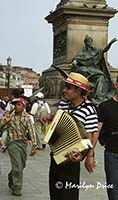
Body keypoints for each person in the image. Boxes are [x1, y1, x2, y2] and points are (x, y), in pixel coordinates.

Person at [44, 72, 98, 200]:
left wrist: (88, 155)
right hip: (56, 156)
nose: (64, 90)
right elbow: (58, 121)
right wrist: (49, 118)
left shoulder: (89, 109)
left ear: (79, 91)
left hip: (72, 159)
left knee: (69, 195)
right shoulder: (63, 105)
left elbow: (91, 135)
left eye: (68, 88)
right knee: (55, 193)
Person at [1, 98, 37, 196]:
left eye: (18, 105)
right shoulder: (9, 117)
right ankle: (16, 187)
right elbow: (1, 127)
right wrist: (5, 122)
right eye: (15, 104)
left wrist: (34, 145)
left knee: (22, 165)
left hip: (23, 144)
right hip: (12, 143)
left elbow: (31, 131)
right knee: (17, 166)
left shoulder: (27, 118)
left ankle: (11, 176)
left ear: (23, 106)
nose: (16, 106)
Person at [70, 35, 117, 104]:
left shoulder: (96, 51)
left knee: (101, 76)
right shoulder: (83, 52)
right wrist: (74, 62)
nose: (89, 43)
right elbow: (77, 59)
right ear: (85, 43)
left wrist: (110, 44)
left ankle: (98, 96)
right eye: (88, 42)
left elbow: (104, 50)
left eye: (90, 41)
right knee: (85, 71)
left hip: (94, 69)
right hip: (85, 68)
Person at [97, 76, 118, 200]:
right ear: (116, 85)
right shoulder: (105, 106)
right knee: (114, 189)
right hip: (112, 154)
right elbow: (97, 130)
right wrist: (90, 153)